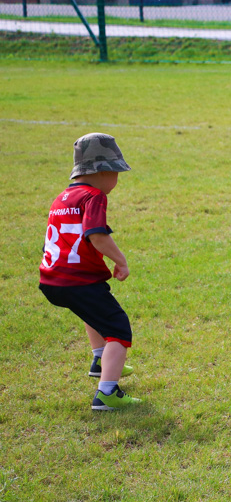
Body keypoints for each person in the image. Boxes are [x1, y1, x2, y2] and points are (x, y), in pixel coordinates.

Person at [38, 133, 140, 411]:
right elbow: (97, 235)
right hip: (78, 282)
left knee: (91, 311)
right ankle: (107, 392)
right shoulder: (94, 197)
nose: (117, 181)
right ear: (102, 171)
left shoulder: (62, 196)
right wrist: (121, 261)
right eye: (116, 173)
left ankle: (99, 360)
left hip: (51, 279)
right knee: (118, 329)